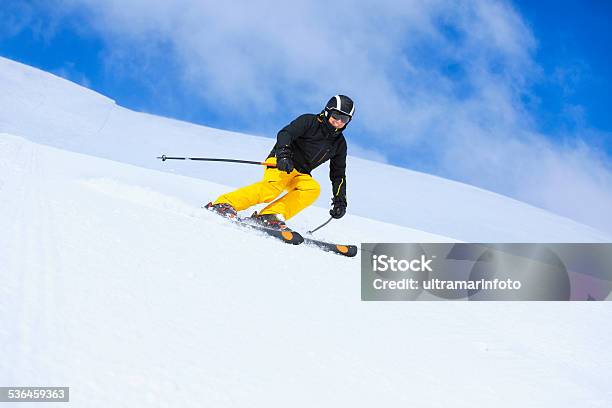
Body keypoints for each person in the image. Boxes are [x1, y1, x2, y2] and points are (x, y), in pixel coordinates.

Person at [205, 94, 354, 230]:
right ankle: (224, 204)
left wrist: (340, 200)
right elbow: (285, 133)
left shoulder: (339, 144)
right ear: (328, 111)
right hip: (281, 162)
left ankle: (270, 215)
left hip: (300, 173)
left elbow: (338, 174)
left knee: (312, 189)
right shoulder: (309, 121)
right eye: (336, 115)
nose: (339, 121)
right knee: (272, 189)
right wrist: (283, 155)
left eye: (345, 119)